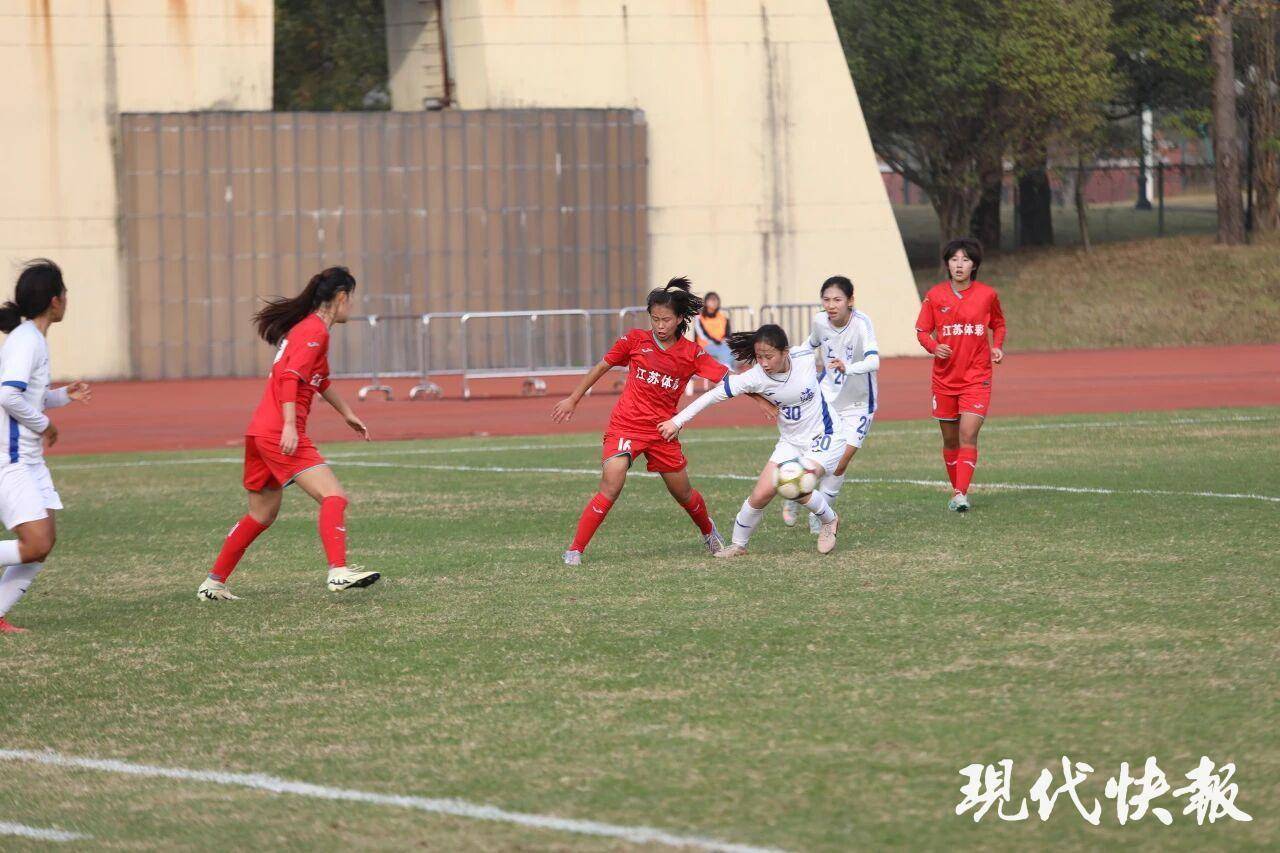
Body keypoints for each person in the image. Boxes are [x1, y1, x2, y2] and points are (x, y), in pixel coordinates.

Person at [552, 278, 769, 566]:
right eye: (654, 319)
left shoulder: (691, 354)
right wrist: (573, 399)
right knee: (611, 484)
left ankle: (708, 531)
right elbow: (603, 366)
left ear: (680, 319)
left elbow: (730, 380)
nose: (660, 325)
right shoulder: (634, 341)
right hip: (626, 426)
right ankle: (575, 550)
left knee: (684, 493)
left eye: (666, 319)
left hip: (663, 431)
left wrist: (761, 401)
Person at [198, 267, 379, 601]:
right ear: (340, 297)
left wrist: (348, 413)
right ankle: (338, 572)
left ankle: (213, 583)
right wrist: (290, 426)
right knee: (334, 496)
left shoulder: (309, 330)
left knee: (261, 514)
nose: (352, 305)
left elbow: (319, 381)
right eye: (351, 298)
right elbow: (289, 378)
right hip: (277, 432)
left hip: (260, 432)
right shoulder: (314, 332)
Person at [659, 324, 843, 557]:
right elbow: (712, 396)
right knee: (759, 495)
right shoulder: (755, 377)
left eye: (769, 356)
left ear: (785, 353)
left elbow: (818, 333)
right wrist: (677, 421)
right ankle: (738, 545)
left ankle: (829, 520)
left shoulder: (803, 356)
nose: (763, 363)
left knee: (795, 482)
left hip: (826, 434)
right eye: (758, 357)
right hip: (790, 441)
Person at [0, 259, 91, 634]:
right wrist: (45, 424)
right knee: (34, 544)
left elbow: (29, 396)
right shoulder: (27, 340)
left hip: (30, 460)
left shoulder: (31, 338)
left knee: (44, 542)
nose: (68, 299)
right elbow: (7, 396)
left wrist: (61, 397)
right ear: (55, 301)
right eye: (65, 292)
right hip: (11, 459)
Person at [782, 276, 880, 534]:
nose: (831, 305)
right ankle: (796, 492)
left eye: (837, 299)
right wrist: (789, 361)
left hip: (860, 402)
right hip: (827, 398)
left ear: (850, 301)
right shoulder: (819, 321)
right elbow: (809, 345)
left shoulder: (861, 323)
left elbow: (874, 362)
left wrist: (849, 368)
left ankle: (819, 511)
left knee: (840, 462)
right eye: (826, 300)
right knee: (815, 451)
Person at [916, 237, 1006, 512]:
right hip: (944, 379)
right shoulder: (935, 295)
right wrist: (934, 346)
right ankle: (957, 491)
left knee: (968, 434)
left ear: (974, 265)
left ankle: (960, 493)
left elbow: (999, 324)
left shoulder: (987, 295)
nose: (959, 264)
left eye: (965, 260)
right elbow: (922, 331)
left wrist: (997, 347)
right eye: (954, 259)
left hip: (977, 377)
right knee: (950, 440)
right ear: (947, 264)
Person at [693, 292, 734, 369]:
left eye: (716, 300)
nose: (714, 302)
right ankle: (725, 370)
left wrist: (724, 342)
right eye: (711, 300)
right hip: (705, 346)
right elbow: (702, 335)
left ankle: (727, 370)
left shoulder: (723, 317)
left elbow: (728, 335)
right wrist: (717, 343)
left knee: (733, 351)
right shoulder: (699, 318)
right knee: (724, 351)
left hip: (721, 345)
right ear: (705, 302)